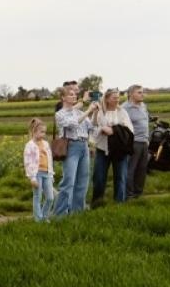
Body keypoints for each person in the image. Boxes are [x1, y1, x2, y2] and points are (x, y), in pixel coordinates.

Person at [53, 81, 93, 215]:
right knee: (68, 181)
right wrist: (88, 110)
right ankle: (59, 214)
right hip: (71, 146)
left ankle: (77, 212)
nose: (74, 96)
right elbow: (73, 124)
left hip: (84, 146)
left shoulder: (79, 111)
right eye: (70, 94)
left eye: (75, 94)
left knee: (83, 181)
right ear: (63, 98)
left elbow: (91, 127)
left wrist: (96, 111)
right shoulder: (60, 114)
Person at [88, 88, 134, 204]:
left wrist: (113, 130)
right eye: (114, 98)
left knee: (120, 178)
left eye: (118, 98)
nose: (117, 100)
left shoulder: (122, 112)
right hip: (102, 149)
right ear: (107, 99)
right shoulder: (99, 112)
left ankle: (119, 204)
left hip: (119, 150)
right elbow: (91, 127)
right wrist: (101, 129)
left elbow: (129, 130)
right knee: (99, 178)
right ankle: (97, 203)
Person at [24, 118, 54, 222]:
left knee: (50, 197)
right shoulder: (30, 145)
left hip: (47, 173)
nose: (44, 134)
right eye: (41, 132)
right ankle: (39, 219)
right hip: (37, 174)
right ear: (34, 131)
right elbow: (28, 162)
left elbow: (49, 159)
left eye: (45, 132)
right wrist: (32, 178)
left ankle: (44, 216)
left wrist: (51, 174)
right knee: (38, 196)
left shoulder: (45, 144)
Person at [125, 85, 151, 199]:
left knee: (142, 168)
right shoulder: (125, 108)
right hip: (133, 142)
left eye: (142, 92)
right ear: (131, 94)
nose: (142, 94)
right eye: (139, 92)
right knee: (131, 169)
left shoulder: (143, 106)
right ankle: (129, 194)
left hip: (144, 141)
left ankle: (138, 193)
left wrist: (147, 138)